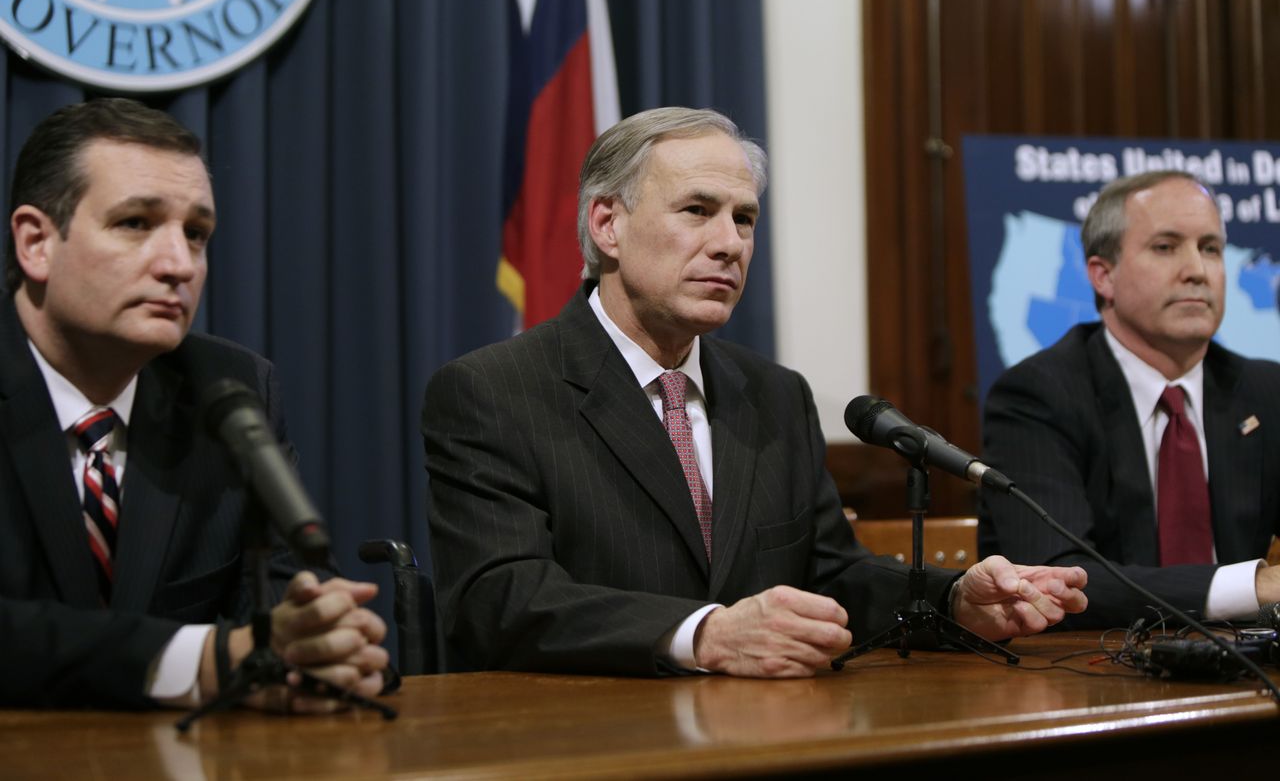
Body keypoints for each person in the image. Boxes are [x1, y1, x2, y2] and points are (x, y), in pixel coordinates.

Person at [423, 106, 1087, 677]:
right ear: (607, 224)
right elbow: (499, 598)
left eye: (744, 218)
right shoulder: (494, 391)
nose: (729, 243)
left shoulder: (774, 394)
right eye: (697, 211)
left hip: (769, 737)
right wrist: (705, 634)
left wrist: (950, 602)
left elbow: (828, 574)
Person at [0, 98, 387, 709]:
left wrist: (320, 646)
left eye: (197, 234)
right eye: (135, 223)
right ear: (36, 242)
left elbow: (286, 597)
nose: (179, 264)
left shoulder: (229, 389)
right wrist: (207, 661)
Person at [979, 170, 1280, 628]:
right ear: (1103, 276)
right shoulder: (1037, 396)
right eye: (1165, 247)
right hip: (1091, 673)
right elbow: (1054, 583)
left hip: (1249, 667)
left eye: (1211, 248)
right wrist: (1253, 587)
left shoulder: (1264, 391)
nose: (1196, 270)